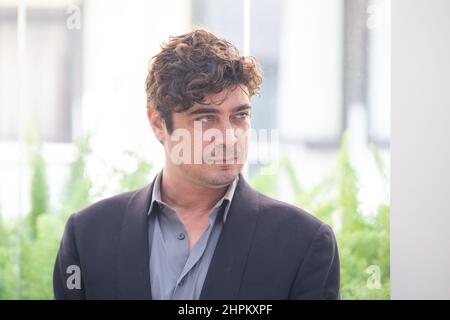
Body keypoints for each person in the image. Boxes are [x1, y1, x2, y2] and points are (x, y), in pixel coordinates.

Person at [53, 29, 340, 300]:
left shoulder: (304, 244)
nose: (228, 138)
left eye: (240, 116)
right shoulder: (87, 235)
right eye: (205, 119)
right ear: (158, 124)